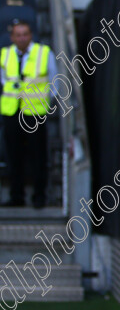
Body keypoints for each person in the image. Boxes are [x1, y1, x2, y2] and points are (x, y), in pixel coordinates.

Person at [0, 19, 57, 208]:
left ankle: (39, 196)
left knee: (38, 156)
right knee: (13, 156)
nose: (22, 38)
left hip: (35, 112)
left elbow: (55, 82)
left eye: (25, 34)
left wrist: (45, 103)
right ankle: (17, 196)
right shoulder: (5, 54)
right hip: (11, 112)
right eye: (18, 35)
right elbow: (4, 80)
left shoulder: (44, 53)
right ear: (12, 37)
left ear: (30, 35)